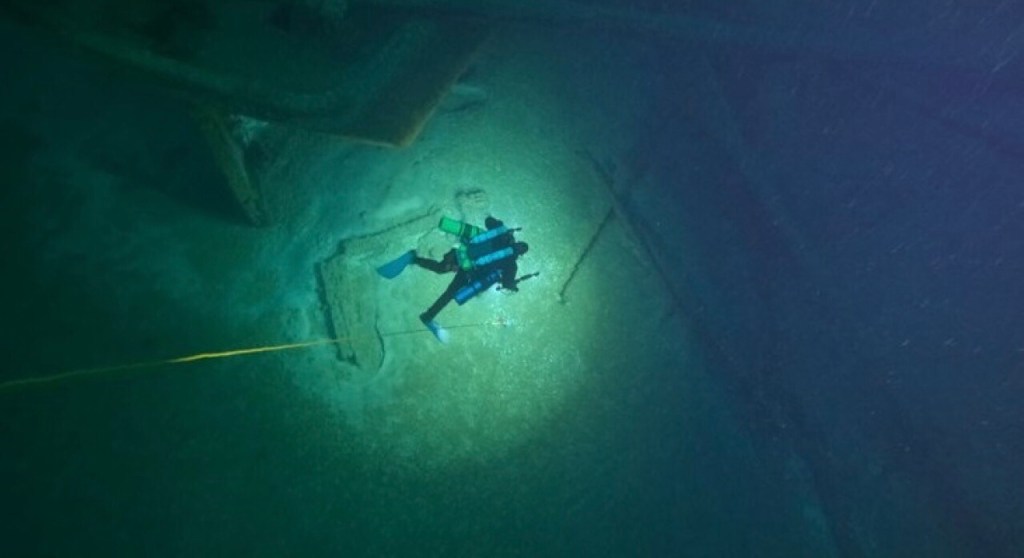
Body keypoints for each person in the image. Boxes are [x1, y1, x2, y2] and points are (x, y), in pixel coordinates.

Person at [376, 216, 529, 342]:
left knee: (440, 268)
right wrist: (514, 286)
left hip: (462, 254)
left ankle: (414, 259)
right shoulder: (511, 264)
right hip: (469, 271)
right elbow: (507, 283)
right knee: (449, 294)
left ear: (515, 241)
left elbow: (488, 220)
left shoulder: (503, 235)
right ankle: (428, 316)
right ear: (520, 255)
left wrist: (501, 227)